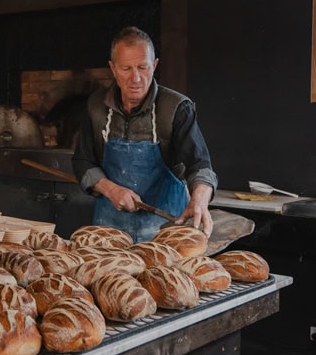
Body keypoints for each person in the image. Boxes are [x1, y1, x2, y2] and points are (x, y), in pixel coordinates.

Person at [72, 26, 218, 242]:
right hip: (109, 234)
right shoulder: (96, 106)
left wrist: (199, 200)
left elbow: (201, 166)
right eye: (126, 68)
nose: (136, 78)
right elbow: (82, 161)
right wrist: (111, 190)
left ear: (155, 65)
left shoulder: (176, 108)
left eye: (143, 67)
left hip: (165, 233)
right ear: (112, 68)